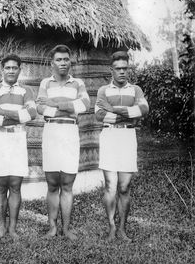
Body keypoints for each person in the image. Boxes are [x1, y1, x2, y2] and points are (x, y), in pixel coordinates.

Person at [36, 44, 90, 240]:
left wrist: (56, 104)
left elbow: (84, 104)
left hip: (70, 133)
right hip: (51, 131)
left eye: (66, 59)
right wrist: (69, 107)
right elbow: (41, 108)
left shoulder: (78, 83)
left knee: (67, 183)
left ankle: (66, 228)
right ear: (52, 63)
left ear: (70, 62)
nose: (63, 63)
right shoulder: (45, 83)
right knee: (52, 183)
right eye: (58, 59)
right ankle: (52, 228)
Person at [95, 51, 149, 241]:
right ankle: (111, 227)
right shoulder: (103, 90)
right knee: (110, 186)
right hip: (109, 136)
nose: (122, 72)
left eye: (125, 68)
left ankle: (122, 229)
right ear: (112, 70)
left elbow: (143, 110)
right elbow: (99, 115)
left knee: (124, 187)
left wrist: (114, 109)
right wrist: (129, 113)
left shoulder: (136, 90)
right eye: (118, 69)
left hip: (127, 136)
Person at [0, 54, 37, 242]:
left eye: (15, 68)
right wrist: (16, 115)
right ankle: (1, 229)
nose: (11, 71)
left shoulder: (26, 91)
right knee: (0, 186)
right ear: (2, 69)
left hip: (18, 139)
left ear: (20, 70)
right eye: (8, 68)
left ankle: (13, 229)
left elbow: (31, 114)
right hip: (0, 140)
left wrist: (2, 112)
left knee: (15, 185)